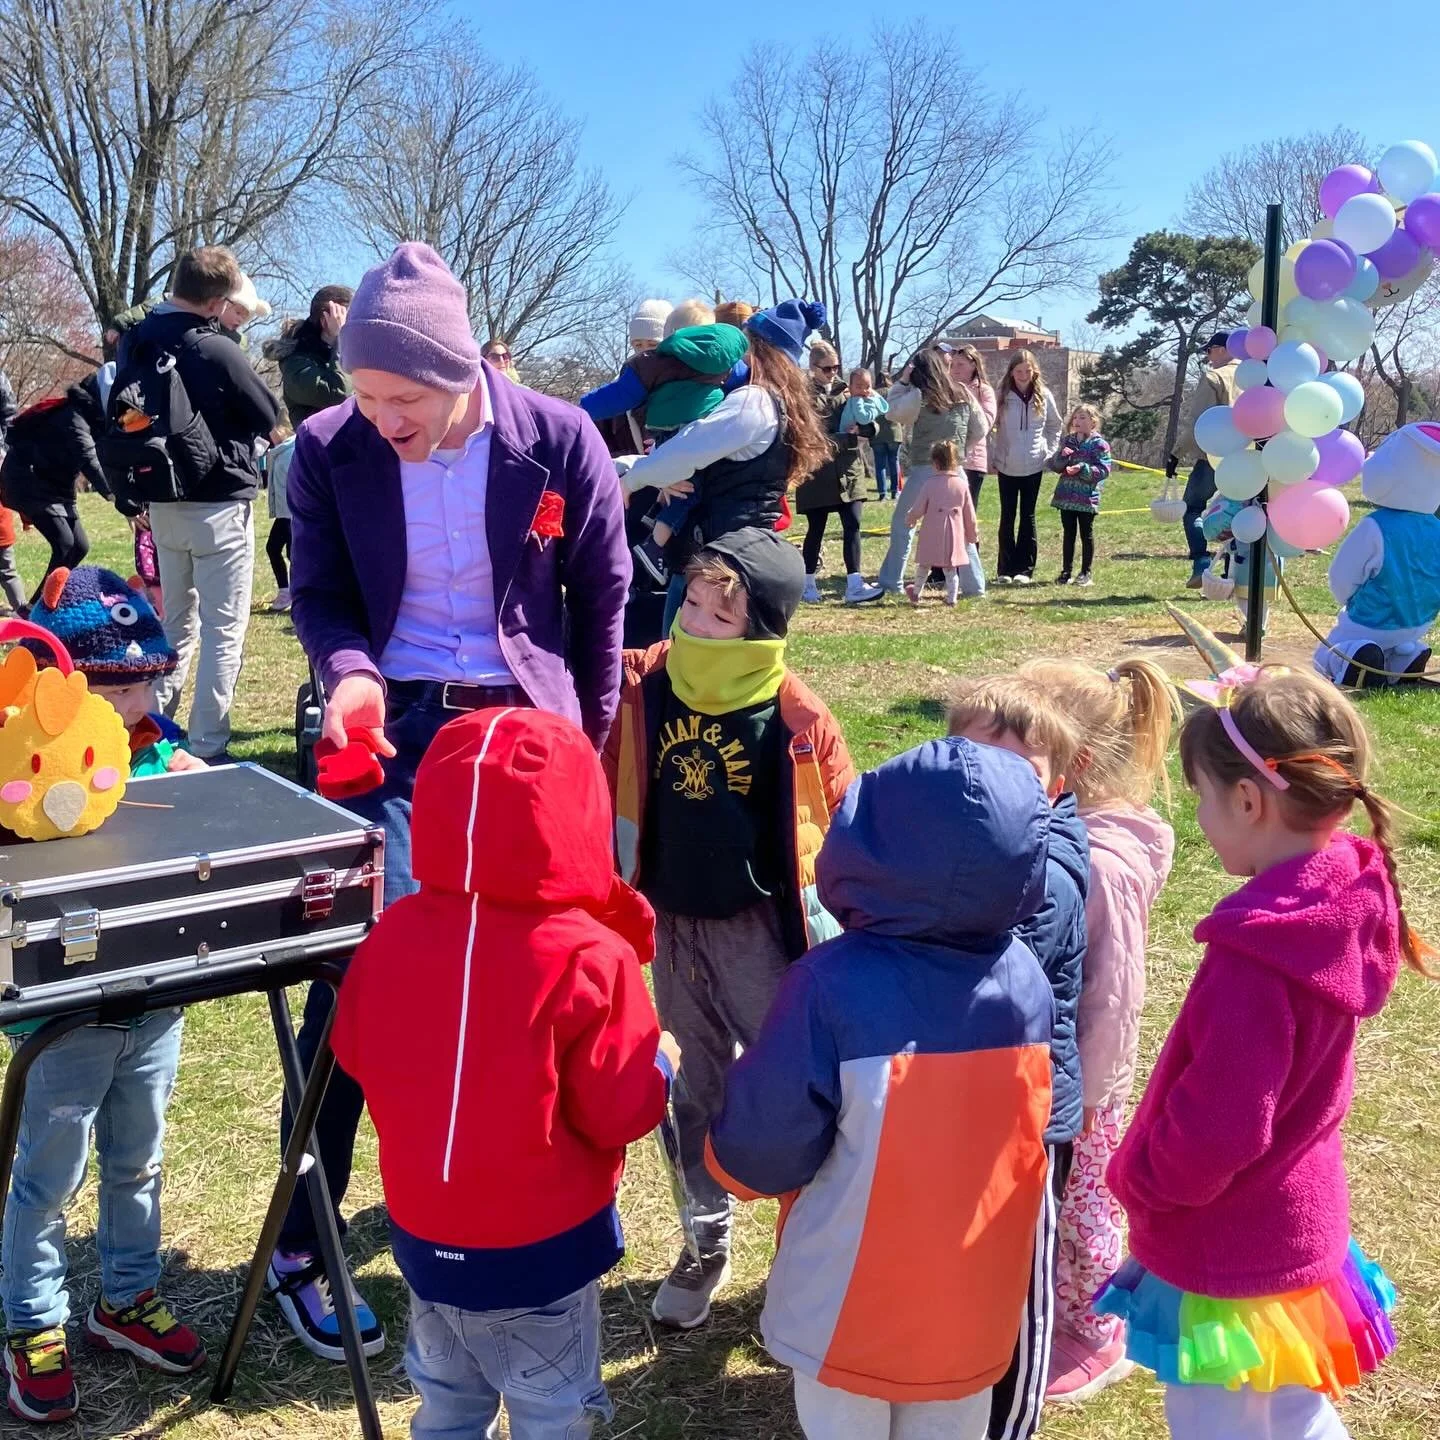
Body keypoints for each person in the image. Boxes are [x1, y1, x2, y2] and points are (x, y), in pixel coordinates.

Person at [283, 241, 628, 1360]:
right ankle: (304, 1239)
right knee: (365, 967)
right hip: (395, 733)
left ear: (462, 367)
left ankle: (536, 1211)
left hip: (526, 734)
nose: (382, 416)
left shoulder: (558, 437)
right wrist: (349, 673)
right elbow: (320, 592)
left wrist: (585, 748)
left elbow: (604, 596)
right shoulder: (327, 448)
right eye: (364, 392)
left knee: (542, 972)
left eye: (404, 396)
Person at [332, 705, 678, 1440]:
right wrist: (661, 1065)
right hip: (542, 1249)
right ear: (578, 817)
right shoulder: (591, 954)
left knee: (448, 1408)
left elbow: (353, 1052)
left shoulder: (391, 932)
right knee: (553, 1412)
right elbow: (618, 1109)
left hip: (423, 1233)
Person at [1096, 668, 1420, 1440]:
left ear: (1248, 800)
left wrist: (1144, 1180)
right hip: (1300, 1218)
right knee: (1293, 1407)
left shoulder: (1258, 956)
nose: (1202, 818)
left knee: (1216, 1417)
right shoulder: (1348, 892)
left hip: (1231, 1240)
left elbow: (1221, 1126)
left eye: (1202, 798)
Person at [705, 734, 1056, 1440]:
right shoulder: (1026, 976)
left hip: (848, 1305)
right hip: (975, 1301)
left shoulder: (828, 983)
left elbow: (766, 1140)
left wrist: (729, 1163)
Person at [603, 528, 854, 1331]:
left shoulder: (798, 716)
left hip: (760, 935)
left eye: (723, 616)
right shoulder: (642, 683)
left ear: (764, 629)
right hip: (670, 922)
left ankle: (806, 1242)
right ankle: (704, 1240)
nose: (698, 624)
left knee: (790, 1091)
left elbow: (840, 827)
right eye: (693, 605)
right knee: (690, 1085)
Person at [2, 567, 208, 1424]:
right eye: (115, 689)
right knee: (49, 1176)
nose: (135, 705)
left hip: (153, 1001)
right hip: (64, 1015)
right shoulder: (22, 764)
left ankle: (126, 1298)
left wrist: (198, 785)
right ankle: (32, 1324)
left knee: (139, 1159)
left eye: (145, 684)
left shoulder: (159, 747)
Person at [1016, 658, 1177, 1403]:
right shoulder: (1068, 830)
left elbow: (1112, 994)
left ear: (1071, 763)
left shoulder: (1103, 866)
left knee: (1084, 1209)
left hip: (1084, 1080)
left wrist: (1085, 1093)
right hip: (1054, 1067)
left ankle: (1096, 1328)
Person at [947, 676, 1089, 1440]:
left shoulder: (1048, 875)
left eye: (1020, 771)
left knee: (1018, 1282)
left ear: (1056, 786)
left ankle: (1010, 1421)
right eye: (976, 763)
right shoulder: (947, 847)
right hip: (956, 1101)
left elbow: (984, 972)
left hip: (1027, 1120)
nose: (994, 786)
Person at [124, 245, 280, 761]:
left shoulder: (139, 338)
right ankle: (208, 745)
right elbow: (266, 412)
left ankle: (150, 729)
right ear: (216, 302)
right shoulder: (216, 348)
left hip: (163, 499)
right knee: (223, 630)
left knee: (176, 623)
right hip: (219, 502)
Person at [617, 300, 832, 634]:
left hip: (722, 562)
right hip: (737, 555)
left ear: (759, 348)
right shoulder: (775, 402)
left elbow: (687, 449)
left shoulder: (754, 402)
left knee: (686, 657)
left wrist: (631, 482)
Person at [587, 323, 752, 585]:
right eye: (638, 344)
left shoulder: (650, 365)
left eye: (650, 343)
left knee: (676, 481)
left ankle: (656, 516)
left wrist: (575, 411)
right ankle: (655, 545)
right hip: (689, 431)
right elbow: (745, 378)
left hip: (660, 430)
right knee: (688, 489)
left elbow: (611, 398)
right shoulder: (726, 364)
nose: (643, 349)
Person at [876, 347, 988, 595]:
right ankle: (975, 587)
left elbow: (891, 411)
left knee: (903, 524)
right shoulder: (963, 392)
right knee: (962, 529)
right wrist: (960, 451)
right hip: (956, 472)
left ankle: (891, 581)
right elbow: (981, 428)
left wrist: (903, 381)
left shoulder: (919, 396)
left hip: (925, 470)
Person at [0, 376, 109, 597]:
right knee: (65, 544)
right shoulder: (73, 418)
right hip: (27, 481)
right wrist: (117, 497)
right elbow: (89, 459)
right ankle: (40, 606)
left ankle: (51, 601)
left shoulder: (93, 418)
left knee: (80, 546)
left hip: (54, 485)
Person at [800, 341, 883, 605]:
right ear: (813, 367)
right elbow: (808, 434)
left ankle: (855, 584)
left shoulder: (849, 391)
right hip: (818, 471)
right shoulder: (802, 394)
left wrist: (867, 429)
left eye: (836, 367)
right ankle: (807, 584)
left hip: (849, 470)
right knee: (816, 528)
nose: (833, 373)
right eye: (827, 368)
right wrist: (843, 439)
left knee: (853, 525)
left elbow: (871, 423)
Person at [1170, 333, 1240, 588]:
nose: (1208, 358)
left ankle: (1201, 562)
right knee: (1241, 514)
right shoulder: (1257, 376)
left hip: (1214, 455)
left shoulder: (1214, 377)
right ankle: (1235, 572)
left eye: (1209, 351)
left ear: (1221, 350)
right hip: (1250, 458)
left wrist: (1176, 453)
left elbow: (1199, 422)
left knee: (1193, 507)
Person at [990, 350, 1063, 586]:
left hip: (1034, 464)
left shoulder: (1044, 395)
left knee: (1027, 516)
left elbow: (1055, 425)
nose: (1023, 375)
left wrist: (1048, 452)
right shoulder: (1001, 395)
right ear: (1011, 372)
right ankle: (1004, 569)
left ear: (1034, 372)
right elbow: (987, 425)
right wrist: (993, 454)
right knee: (1007, 515)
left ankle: (1025, 569)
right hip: (1006, 464)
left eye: (1027, 371)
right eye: (1019, 371)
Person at [905, 439, 983, 606]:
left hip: (931, 533)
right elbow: (969, 514)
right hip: (954, 534)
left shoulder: (930, 484)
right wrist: (972, 535)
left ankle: (916, 593)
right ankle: (952, 597)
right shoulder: (962, 485)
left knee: (924, 565)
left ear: (935, 463)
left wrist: (911, 519)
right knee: (950, 568)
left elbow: (918, 507)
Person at [266, 285, 353, 428]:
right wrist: (341, 338)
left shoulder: (345, 356)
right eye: (348, 319)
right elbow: (339, 394)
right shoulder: (296, 364)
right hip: (321, 442)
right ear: (326, 320)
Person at [1049, 404, 1113, 588]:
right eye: (1075, 418)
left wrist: (1082, 468)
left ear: (1093, 422)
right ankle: (1066, 571)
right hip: (1065, 497)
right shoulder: (1068, 441)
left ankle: (1085, 572)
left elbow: (1103, 469)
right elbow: (1056, 466)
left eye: (1082, 418)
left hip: (1087, 497)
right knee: (1068, 533)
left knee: (1086, 533)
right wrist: (1062, 456)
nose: (1077, 421)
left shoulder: (1099, 444)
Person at [950, 345, 998, 504]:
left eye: (960, 364)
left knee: (968, 506)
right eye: (952, 364)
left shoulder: (984, 391)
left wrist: (966, 394)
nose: (955, 369)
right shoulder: (945, 389)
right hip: (948, 458)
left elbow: (986, 422)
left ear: (973, 365)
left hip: (973, 459)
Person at [264, 426, 295, 611]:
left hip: (293, 513)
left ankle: (297, 594)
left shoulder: (292, 451)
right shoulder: (278, 451)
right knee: (273, 548)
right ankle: (285, 591)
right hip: (284, 513)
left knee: (294, 555)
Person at [870, 370, 903, 500]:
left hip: (877, 433)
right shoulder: (894, 392)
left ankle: (882, 493)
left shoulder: (872, 394)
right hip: (894, 432)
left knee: (880, 465)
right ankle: (895, 491)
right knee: (894, 462)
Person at [836, 367, 888, 434]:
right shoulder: (851, 399)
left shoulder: (870, 402)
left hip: (858, 437)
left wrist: (857, 400)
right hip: (843, 435)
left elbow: (863, 419)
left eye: (867, 387)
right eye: (859, 387)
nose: (864, 390)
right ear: (850, 388)